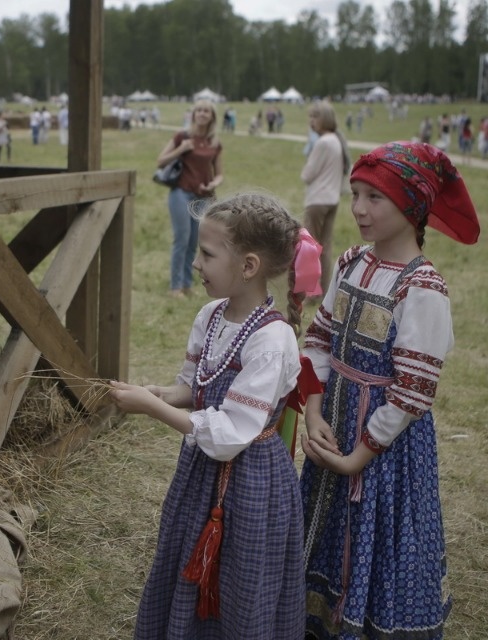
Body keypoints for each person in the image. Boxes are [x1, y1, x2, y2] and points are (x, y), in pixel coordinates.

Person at [111, 193, 323, 639]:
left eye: (207, 254)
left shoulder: (272, 341)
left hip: (252, 482)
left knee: (241, 579)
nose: (196, 264)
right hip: (202, 474)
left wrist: (152, 408)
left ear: (248, 266)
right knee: (188, 554)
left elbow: (229, 433)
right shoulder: (210, 316)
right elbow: (195, 388)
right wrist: (162, 394)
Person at [300, 141, 480, 639]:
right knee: (326, 526)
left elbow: (411, 393)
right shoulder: (350, 262)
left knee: (377, 535)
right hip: (332, 426)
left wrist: (357, 458)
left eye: (374, 197)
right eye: (355, 194)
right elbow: (319, 338)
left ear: (412, 206)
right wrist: (313, 411)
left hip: (384, 453)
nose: (358, 208)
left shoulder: (422, 288)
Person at [155, 99, 223, 298]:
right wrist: (181, 149)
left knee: (195, 241)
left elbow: (219, 174)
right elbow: (160, 161)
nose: (202, 114)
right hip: (181, 193)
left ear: (212, 117)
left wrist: (214, 184)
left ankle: (187, 285)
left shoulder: (215, 143)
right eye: (199, 110)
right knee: (181, 239)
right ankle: (175, 287)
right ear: (193, 114)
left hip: (204, 197)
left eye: (206, 111)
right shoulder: (182, 136)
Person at [301, 101, 350, 300]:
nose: (311, 121)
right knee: (325, 247)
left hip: (317, 200)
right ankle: (322, 290)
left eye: (315, 117)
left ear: (325, 119)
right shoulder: (337, 140)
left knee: (310, 247)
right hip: (332, 199)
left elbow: (307, 175)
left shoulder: (323, 143)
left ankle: (309, 292)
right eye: (310, 117)